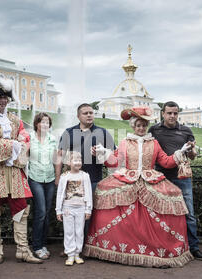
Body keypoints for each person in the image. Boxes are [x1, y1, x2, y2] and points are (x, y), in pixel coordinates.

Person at [83, 106, 193, 268]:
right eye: (138, 125)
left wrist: (180, 152)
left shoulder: (154, 143)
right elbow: (114, 161)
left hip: (150, 180)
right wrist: (101, 152)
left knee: (172, 196)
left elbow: (166, 162)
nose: (141, 128)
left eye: (143, 125)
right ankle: (120, 249)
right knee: (110, 201)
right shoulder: (124, 142)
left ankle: (156, 250)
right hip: (128, 180)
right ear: (133, 126)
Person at [0, 77, 42, 264]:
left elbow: (26, 138)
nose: (3, 100)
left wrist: (21, 141)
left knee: (21, 208)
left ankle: (23, 249)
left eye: (6, 97)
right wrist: (15, 143)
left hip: (13, 170)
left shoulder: (15, 119)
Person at [148, 101, 202, 261]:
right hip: (160, 176)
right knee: (161, 212)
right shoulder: (154, 130)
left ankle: (194, 248)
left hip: (182, 177)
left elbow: (193, 156)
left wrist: (192, 150)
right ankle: (162, 247)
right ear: (163, 113)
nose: (172, 116)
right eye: (169, 113)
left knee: (189, 213)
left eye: (175, 113)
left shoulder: (186, 130)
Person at [56, 103, 115, 245]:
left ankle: (88, 246)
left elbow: (114, 155)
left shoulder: (102, 132)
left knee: (90, 214)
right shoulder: (69, 132)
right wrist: (58, 178)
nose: (89, 115)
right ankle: (70, 246)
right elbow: (59, 155)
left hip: (94, 179)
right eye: (85, 113)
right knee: (70, 214)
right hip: (73, 181)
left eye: (91, 112)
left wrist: (102, 153)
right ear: (78, 116)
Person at [28, 112, 57, 260]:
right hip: (35, 178)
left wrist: (57, 178)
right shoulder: (30, 138)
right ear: (36, 124)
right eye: (42, 122)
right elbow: (23, 157)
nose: (45, 124)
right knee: (40, 211)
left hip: (50, 179)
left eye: (47, 122)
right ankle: (37, 246)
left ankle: (43, 243)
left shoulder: (53, 140)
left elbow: (57, 160)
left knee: (46, 213)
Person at [56, 151, 93, 266]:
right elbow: (60, 194)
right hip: (67, 208)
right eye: (75, 160)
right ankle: (70, 254)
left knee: (79, 231)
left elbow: (88, 193)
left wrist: (88, 209)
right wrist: (59, 210)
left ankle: (77, 253)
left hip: (81, 208)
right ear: (68, 162)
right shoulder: (64, 177)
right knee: (69, 231)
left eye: (80, 160)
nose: (78, 162)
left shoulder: (85, 176)